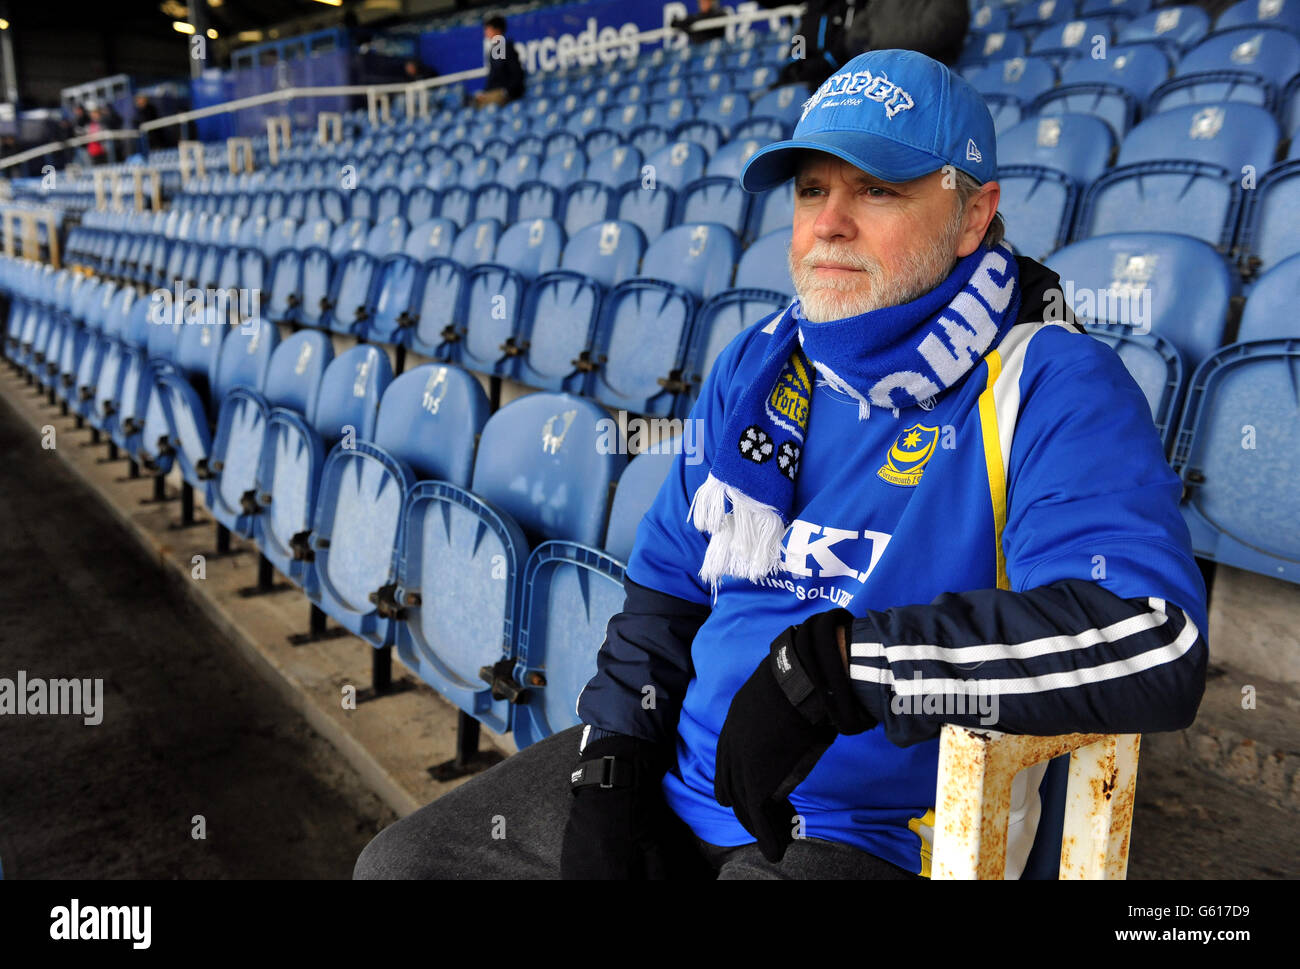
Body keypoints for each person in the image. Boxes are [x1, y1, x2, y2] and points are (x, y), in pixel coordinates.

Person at [354, 49, 1209, 881]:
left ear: (974, 214)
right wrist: (617, 756)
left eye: (877, 188)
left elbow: (1152, 636)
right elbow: (666, 591)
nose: (829, 223)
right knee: (402, 864)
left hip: (879, 832)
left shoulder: (1050, 379)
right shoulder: (758, 363)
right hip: (681, 783)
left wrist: (842, 670)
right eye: (811, 190)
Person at [474, 15, 525, 107]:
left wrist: (507, 91)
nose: (485, 33)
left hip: (505, 93)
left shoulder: (506, 47)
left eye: (487, 29)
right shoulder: (495, 49)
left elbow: (516, 73)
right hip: (495, 92)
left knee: (483, 104)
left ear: (497, 30)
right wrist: (485, 93)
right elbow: (493, 75)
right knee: (473, 101)